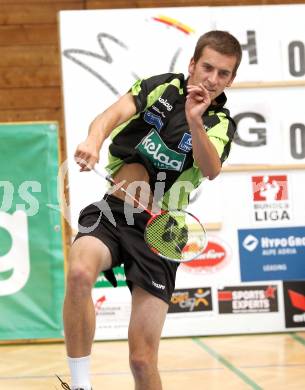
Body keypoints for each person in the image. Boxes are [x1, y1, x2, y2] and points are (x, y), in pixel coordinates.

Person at [58, 30, 242, 390]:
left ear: (231, 80)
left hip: (164, 228)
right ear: (192, 65)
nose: (213, 79)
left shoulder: (219, 123)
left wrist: (194, 119)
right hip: (115, 210)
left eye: (224, 74)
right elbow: (111, 115)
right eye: (207, 67)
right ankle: (80, 386)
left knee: (142, 359)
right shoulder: (161, 87)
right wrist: (93, 141)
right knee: (80, 271)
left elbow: (211, 168)